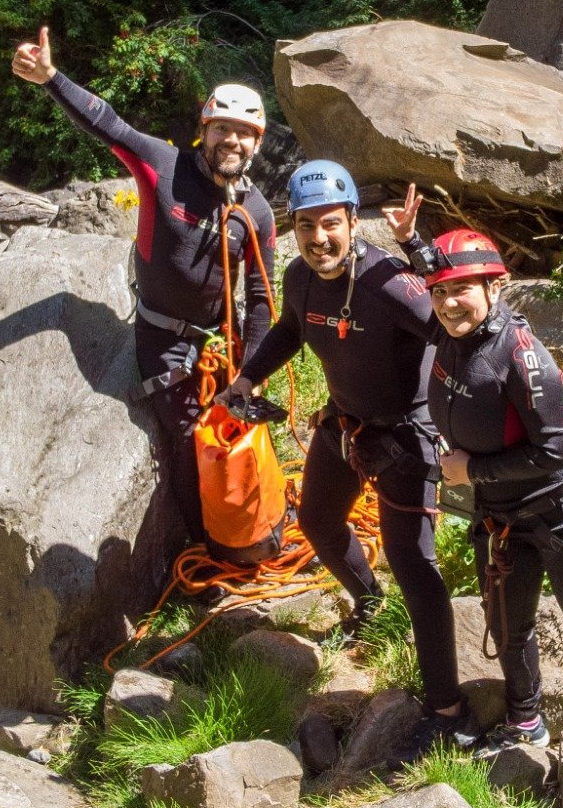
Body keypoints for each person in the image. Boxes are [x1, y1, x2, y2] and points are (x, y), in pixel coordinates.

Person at [217, 159, 477, 767]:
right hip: (346, 425)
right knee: (317, 523)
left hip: (408, 437)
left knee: (416, 566)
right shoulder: (301, 278)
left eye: (329, 224)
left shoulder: (389, 283)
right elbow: (287, 329)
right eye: (305, 226)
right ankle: (369, 601)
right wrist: (248, 378)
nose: (317, 239)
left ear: (352, 220)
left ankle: (449, 713)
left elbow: (460, 332)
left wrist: (493, 416)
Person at [395, 220, 563, 808]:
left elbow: (555, 452)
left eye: (463, 290)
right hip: (501, 518)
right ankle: (526, 720)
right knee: (507, 623)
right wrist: (413, 244)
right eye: (439, 292)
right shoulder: (451, 328)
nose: (449, 302)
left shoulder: (524, 358)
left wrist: (469, 473)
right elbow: (436, 277)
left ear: (495, 288)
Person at [12, 28, 276, 553]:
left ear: (258, 143)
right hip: (164, 339)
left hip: (218, 342)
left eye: (245, 133)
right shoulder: (164, 164)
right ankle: (204, 546)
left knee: (240, 424)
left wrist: (252, 372)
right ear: (204, 128)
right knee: (188, 440)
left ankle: (255, 522)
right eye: (223, 128)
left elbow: (262, 297)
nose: (234, 140)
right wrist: (50, 79)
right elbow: (108, 123)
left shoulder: (257, 213)